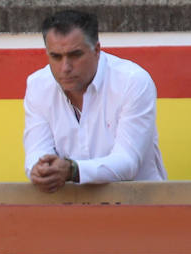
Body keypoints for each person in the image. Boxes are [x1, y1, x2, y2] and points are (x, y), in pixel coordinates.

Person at [23, 9, 166, 191]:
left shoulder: (133, 81)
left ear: (97, 50)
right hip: (70, 207)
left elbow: (128, 162)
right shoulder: (38, 85)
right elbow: (37, 150)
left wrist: (72, 170)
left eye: (75, 55)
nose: (65, 67)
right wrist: (39, 169)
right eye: (56, 57)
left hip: (140, 206)